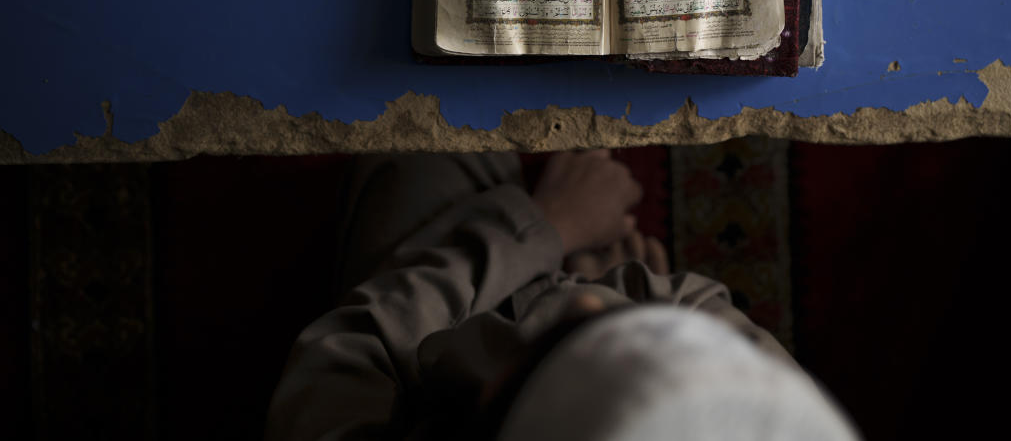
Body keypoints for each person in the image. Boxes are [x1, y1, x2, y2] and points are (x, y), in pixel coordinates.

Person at [265, 149, 859, 440]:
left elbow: (350, 346)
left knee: (432, 133)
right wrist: (634, 298)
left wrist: (546, 225)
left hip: (434, 333)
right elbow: (706, 313)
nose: (586, 304)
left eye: (556, 341)